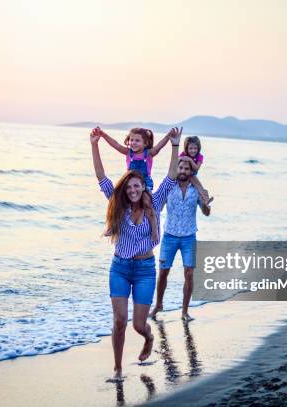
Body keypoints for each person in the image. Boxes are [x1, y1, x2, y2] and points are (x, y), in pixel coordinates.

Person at [90, 126, 182, 380]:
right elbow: (101, 177)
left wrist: (174, 146)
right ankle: (118, 368)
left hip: (144, 270)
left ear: (143, 186)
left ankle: (149, 337)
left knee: (138, 325)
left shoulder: (154, 202)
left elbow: (171, 178)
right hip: (119, 268)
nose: (132, 190)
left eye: (136, 186)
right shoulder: (117, 201)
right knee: (119, 320)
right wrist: (95, 144)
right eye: (128, 187)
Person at [149, 157, 211, 321]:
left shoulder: (196, 189)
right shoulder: (169, 187)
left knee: (189, 274)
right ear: (176, 169)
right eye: (180, 168)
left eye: (186, 169)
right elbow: (156, 206)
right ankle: (159, 305)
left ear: (191, 172)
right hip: (169, 235)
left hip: (189, 237)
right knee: (163, 272)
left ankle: (184, 311)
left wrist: (206, 203)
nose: (183, 171)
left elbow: (206, 212)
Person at [96, 127, 172, 242]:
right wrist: (103, 135)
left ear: (145, 143)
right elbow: (115, 144)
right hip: (129, 183)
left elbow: (159, 146)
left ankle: (154, 230)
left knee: (147, 203)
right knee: (117, 201)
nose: (133, 143)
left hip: (145, 184)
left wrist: (168, 136)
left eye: (137, 140)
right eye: (131, 140)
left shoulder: (149, 154)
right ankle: (112, 226)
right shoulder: (128, 153)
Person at [180, 136, 212, 205]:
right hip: (183, 174)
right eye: (190, 148)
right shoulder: (183, 154)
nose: (193, 150)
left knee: (199, 186)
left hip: (192, 175)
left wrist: (190, 160)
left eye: (195, 148)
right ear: (186, 148)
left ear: (198, 148)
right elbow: (177, 162)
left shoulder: (200, 156)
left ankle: (206, 200)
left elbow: (196, 168)